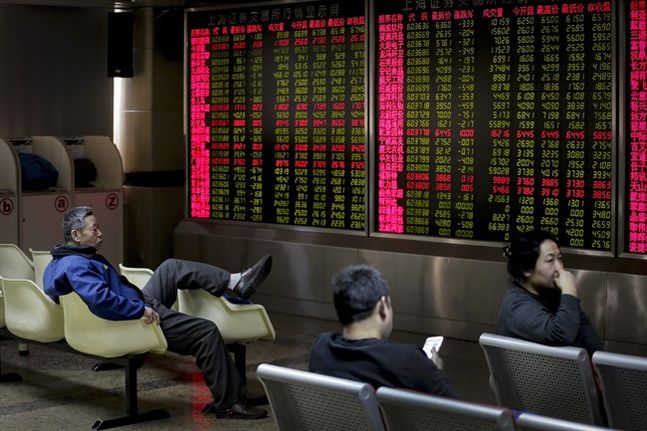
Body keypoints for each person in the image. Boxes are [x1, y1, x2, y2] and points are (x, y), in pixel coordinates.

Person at [43, 206, 272, 420]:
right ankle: (229, 404)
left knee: (171, 268)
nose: (101, 234)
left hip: (134, 304)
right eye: (94, 229)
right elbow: (101, 301)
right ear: (76, 235)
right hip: (132, 319)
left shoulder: (61, 260)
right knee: (206, 332)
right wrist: (139, 309)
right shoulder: (78, 266)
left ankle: (234, 282)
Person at [309, 264, 458, 398]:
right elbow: (453, 409)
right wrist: (436, 371)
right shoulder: (407, 359)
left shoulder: (321, 347)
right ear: (382, 307)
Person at [497, 230, 603, 356]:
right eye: (550, 260)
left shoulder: (551, 292)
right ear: (526, 269)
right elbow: (561, 334)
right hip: (534, 374)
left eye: (559, 258)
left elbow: (582, 324)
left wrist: (599, 360)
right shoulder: (517, 306)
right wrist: (569, 292)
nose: (559, 268)